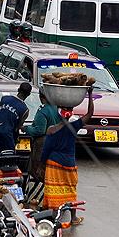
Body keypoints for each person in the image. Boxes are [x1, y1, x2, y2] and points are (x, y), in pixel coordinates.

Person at [43, 86, 94, 218]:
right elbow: (89, 114)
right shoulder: (74, 126)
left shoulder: (51, 130)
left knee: (53, 189)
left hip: (53, 163)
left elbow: (46, 149)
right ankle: (73, 217)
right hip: (68, 163)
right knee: (70, 188)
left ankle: (52, 214)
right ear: (70, 114)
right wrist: (90, 94)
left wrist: (42, 162)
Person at [24, 91, 61, 182]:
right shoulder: (57, 108)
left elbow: (40, 130)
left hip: (43, 143)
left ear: (41, 97)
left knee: (39, 170)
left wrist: (26, 129)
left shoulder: (43, 111)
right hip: (57, 142)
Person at [0, 82, 32, 151]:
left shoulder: (4, 99)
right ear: (28, 94)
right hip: (8, 137)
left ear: (18, 90)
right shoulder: (25, 110)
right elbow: (17, 127)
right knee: (10, 158)